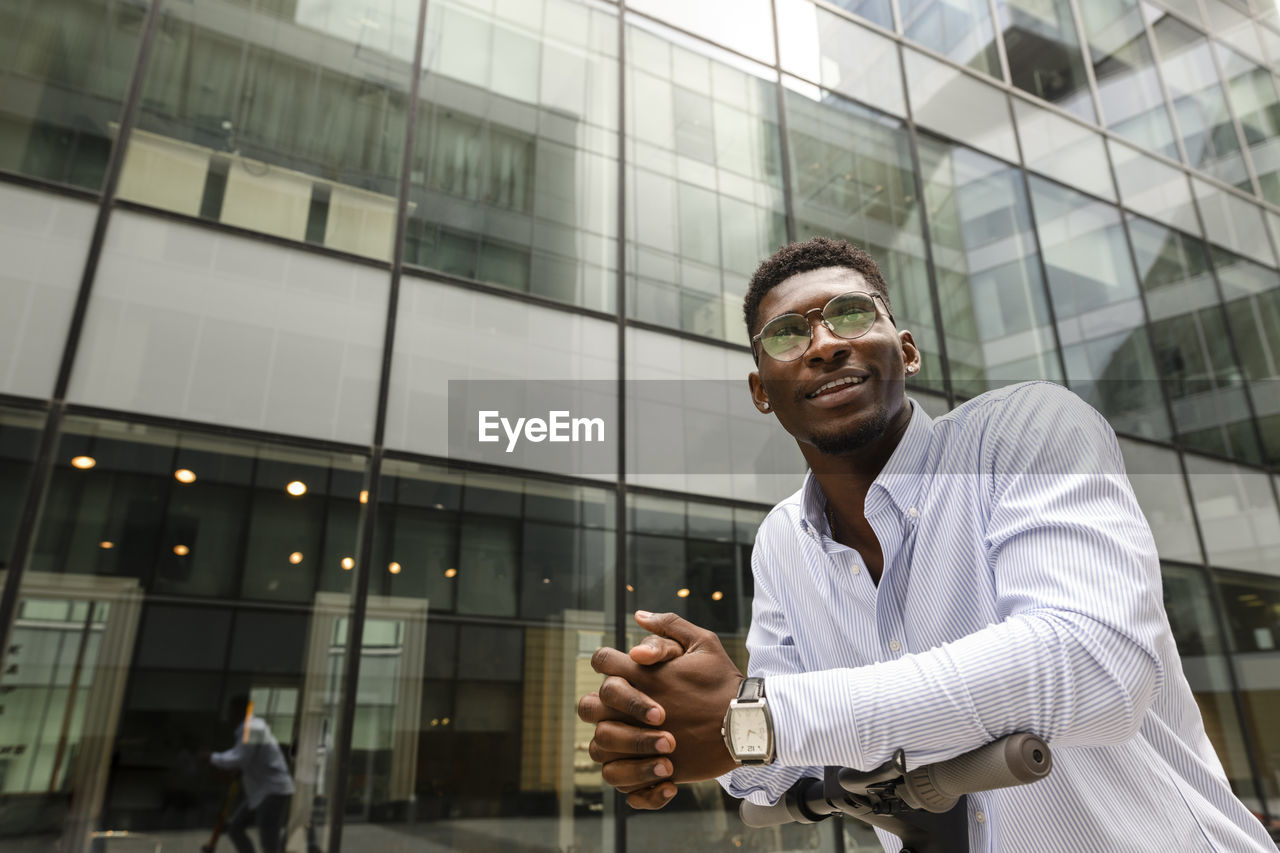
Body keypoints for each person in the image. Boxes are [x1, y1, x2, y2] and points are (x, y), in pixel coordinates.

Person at [577, 237, 1275, 851]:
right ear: (763, 390)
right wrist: (669, 725)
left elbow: (1095, 668)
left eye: (850, 314)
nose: (823, 343)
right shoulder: (783, 540)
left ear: (905, 349)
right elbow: (773, 773)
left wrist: (755, 716)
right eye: (788, 334)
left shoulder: (1028, 429)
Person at [210, 694, 296, 853]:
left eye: (231, 712)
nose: (229, 717)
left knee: (269, 839)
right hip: (260, 792)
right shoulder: (249, 728)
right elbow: (247, 759)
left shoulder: (254, 728)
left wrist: (211, 757)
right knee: (236, 828)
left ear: (239, 711)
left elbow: (240, 757)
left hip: (272, 791)